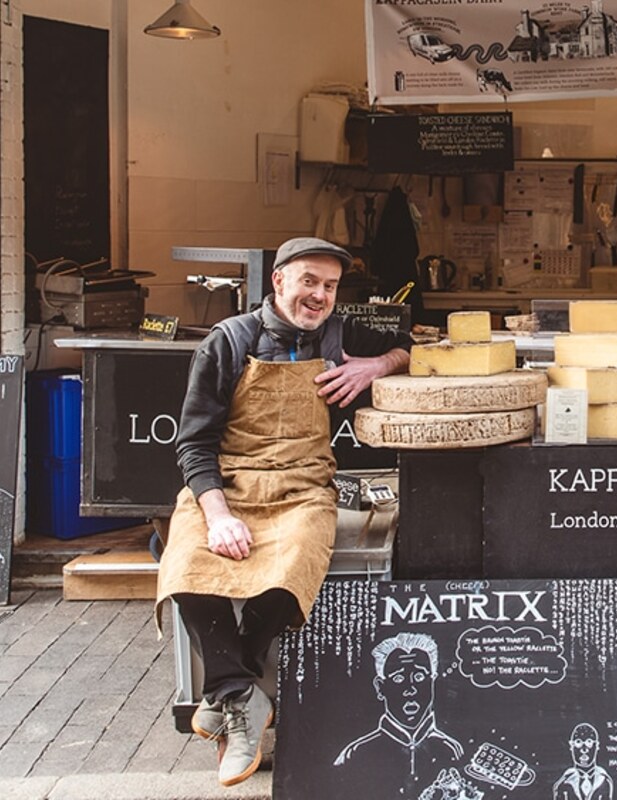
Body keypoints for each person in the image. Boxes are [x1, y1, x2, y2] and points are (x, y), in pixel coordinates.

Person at [155, 237, 412, 787]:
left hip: (303, 486)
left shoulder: (340, 334)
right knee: (185, 564)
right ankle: (241, 695)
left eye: (330, 286)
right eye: (309, 282)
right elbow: (193, 444)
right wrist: (219, 515)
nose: (320, 296)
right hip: (230, 482)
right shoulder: (227, 343)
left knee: (296, 565)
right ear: (278, 281)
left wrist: (375, 365)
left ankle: (227, 691)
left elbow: (410, 346)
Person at [334, 631, 463, 774]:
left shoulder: (451, 750)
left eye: (419, 677)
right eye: (398, 679)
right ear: (381, 687)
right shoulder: (357, 754)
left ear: (432, 682)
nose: (410, 689)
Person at [552, 722, 612, 800]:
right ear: (571, 746)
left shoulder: (604, 780)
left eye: (589, 742)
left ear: (597, 746)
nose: (584, 749)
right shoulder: (564, 782)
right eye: (578, 742)